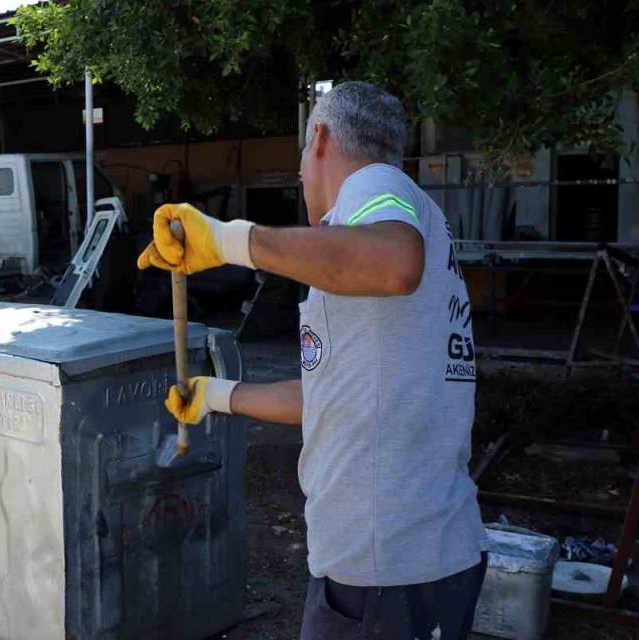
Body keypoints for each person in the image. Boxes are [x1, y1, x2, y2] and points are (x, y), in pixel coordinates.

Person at [139, 81, 487, 639]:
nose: (302, 174)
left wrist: (228, 239)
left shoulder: (374, 188)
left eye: (301, 156)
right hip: (413, 561)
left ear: (319, 138)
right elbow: (326, 393)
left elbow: (396, 263)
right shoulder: (394, 222)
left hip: (385, 570)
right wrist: (215, 395)